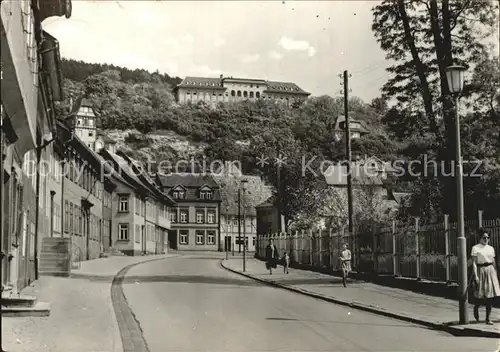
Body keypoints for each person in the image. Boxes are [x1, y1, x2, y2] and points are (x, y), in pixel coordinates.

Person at [471, 228, 500, 325]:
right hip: (481, 270)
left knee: (490, 296)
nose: (486, 239)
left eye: (488, 237)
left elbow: (494, 261)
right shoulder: (475, 248)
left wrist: (495, 273)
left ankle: (488, 318)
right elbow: (474, 263)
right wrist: (476, 276)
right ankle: (476, 307)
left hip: (490, 270)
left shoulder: (491, 248)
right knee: (480, 295)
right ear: (480, 238)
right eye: (484, 237)